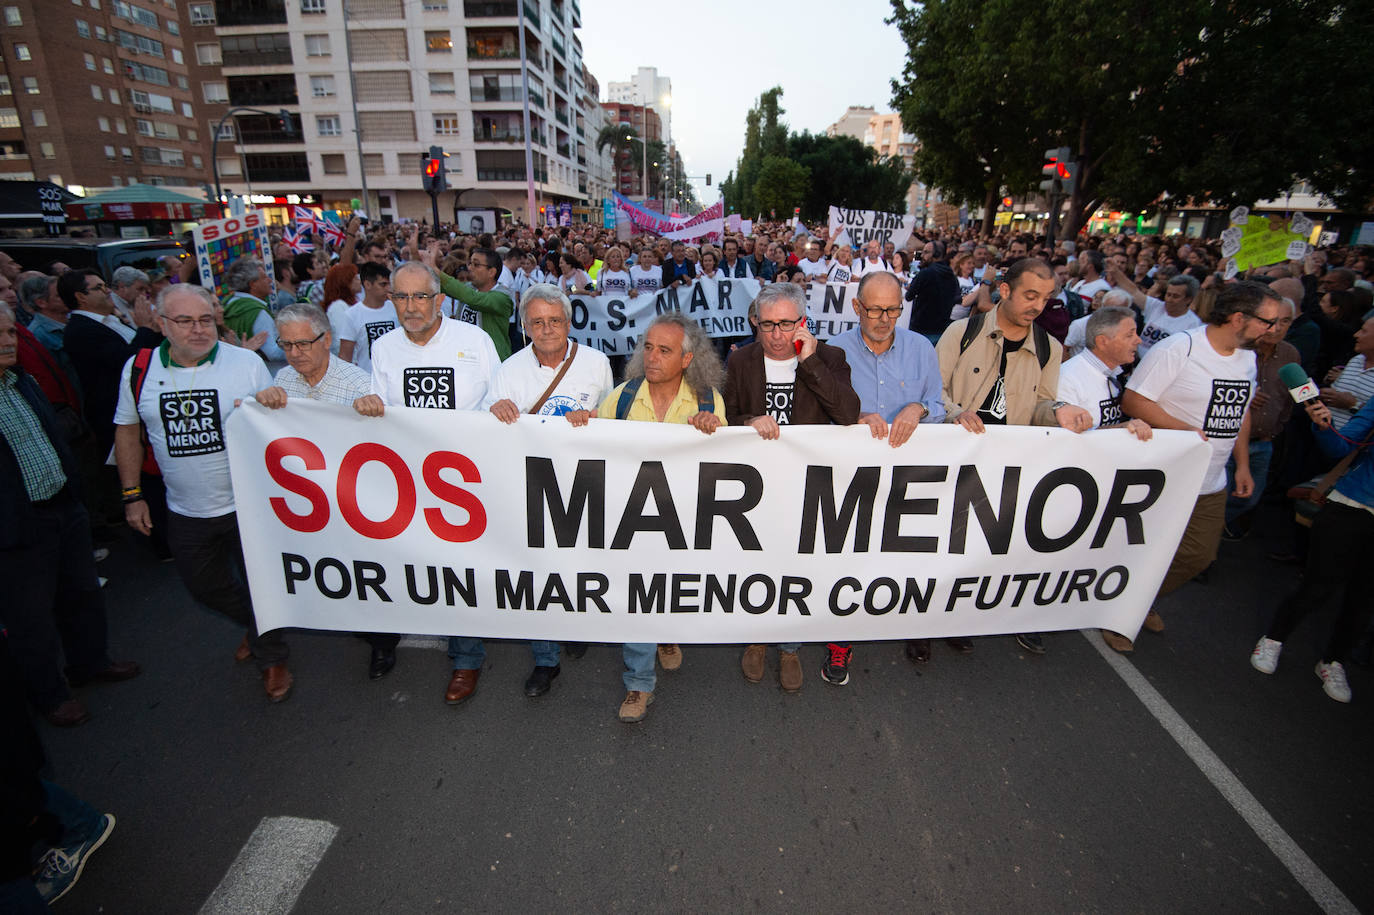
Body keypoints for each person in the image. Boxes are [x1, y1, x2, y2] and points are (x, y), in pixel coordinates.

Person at [112, 285, 288, 698]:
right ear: (161, 324)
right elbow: (127, 430)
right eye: (185, 321)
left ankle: (273, 658)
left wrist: (274, 402)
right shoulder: (138, 370)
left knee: (261, 584)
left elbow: (276, 429)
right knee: (203, 587)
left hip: (248, 505)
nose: (198, 330)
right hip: (185, 510)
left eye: (206, 319)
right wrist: (131, 494)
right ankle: (255, 627)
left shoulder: (246, 364)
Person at [354, 262, 500, 705]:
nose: (411, 306)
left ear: (439, 300)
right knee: (431, 564)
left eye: (421, 297)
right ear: (391, 300)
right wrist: (367, 404)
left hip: (467, 477)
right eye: (402, 297)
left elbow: (499, 398)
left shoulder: (474, 341)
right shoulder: (383, 348)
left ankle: (466, 659)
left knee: (460, 565)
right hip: (412, 478)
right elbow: (381, 406)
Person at [1118, 281, 1285, 653]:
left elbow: (1238, 413)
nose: (1271, 330)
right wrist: (1187, 433)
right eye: (1267, 321)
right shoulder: (1180, 348)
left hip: (1212, 479)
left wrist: (1242, 463)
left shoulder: (1247, 358)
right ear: (1239, 317)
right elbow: (1133, 400)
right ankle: (1122, 612)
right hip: (1166, 474)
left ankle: (1138, 601)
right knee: (1143, 548)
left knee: (1198, 555)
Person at [936, 257, 1092, 655]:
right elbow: (932, 393)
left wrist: (1058, 413)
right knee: (943, 543)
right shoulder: (962, 332)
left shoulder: (1048, 348)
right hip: (957, 458)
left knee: (982, 548)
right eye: (1029, 294)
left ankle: (960, 617)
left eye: (1045, 297)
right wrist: (956, 414)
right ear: (1004, 290)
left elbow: (1041, 404)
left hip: (1008, 466)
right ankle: (925, 623)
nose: (1037, 305)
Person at [0, 303, 140, 727]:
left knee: (81, 591)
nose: (8, 340)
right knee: (30, 615)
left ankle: (90, 662)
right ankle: (49, 694)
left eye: (10, 331)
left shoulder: (20, 382)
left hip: (63, 503)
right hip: (16, 523)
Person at [724, 283, 860, 690]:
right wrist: (748, 422)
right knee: (755, 564)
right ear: (755, 323)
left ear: (803, 322)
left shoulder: (829, 356)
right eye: (768, 325)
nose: (778, 335)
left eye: (787, 323)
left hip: (807, 484)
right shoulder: (741, 359)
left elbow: (848, 413)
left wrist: (811, 361)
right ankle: (757, 639)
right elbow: (725, 416)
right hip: (754, 486)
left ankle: (789, 646)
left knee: (798, 567)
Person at [595, 312, 727, 722]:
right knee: (638, 597)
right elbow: (590, 452)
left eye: (664, 350)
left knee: (669, 588)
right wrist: (581, 426)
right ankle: (638, 682)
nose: (652, 357)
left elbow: (725, 463)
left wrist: (714, 428)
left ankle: (667, 633)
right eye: (647, 347)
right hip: (630, 522)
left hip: (682, 522)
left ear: (687, 359)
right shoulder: (620, 398)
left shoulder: (708, 401)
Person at [487, 284, 614, 697]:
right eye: (537, 322)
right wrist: (495, 412)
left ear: (569, 321)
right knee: (535, 572)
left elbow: (615, 423)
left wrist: (595, 417)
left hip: (586, 485)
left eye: (554, 321)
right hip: (531, 488)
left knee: (580, 565)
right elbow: (484, 431)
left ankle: (577, 624)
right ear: (524, 326)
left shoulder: (596, 364)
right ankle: (545, 659)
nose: (546, 330)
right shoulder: (509, 370)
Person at [830, 272, 954, 666]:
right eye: (875, 310)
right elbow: (821, 415)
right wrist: (853, 418)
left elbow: (938, 405)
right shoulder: (834, 352)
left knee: (913, 558)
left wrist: (918, 408)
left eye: (894, 309)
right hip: (854, 480)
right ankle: (839, 643)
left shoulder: (921, 348)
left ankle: (915, 627)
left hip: (911, 479)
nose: (885, 319)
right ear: (856, 308)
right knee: (848, 561)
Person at [1250, 396, 1374, 703]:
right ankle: (1273, 639)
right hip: (1352, 507)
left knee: (1364, 602)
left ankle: (1333, 661)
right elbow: (1340, 448)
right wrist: (1324, 426)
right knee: (1318, 586)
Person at [59, 270, 163, 461]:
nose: (107, 291)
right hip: (118, 416)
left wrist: (155, 331)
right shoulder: (82, 330)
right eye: (99, 288)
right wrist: (146, 329)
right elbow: (128, 361)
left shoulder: (109, 320)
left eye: (105, 285)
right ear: (81, 297)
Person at [1223, 296, 1298, 537]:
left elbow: (1291, 399)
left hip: (1263, 444)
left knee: (1249, 498)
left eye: (1285, 322)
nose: (1277, 328)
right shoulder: (1237, 349)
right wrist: (1241, 395)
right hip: (1226, 442)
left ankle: (1213, 528)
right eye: (1272, 321)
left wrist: (1276, 428)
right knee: (1213, 499)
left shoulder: (1291, 355)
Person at [220, 257, 285, 363]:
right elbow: (272, 353)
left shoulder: (227, 303)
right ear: (252, 284)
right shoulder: (257, 312)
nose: (270, 280)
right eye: (264, 277)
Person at [337, 262, 396, 374]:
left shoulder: (397, 308)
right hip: (367, 379)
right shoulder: (352, 315)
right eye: (383, 285)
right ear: (368, 285)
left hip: (396, 377)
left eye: (389, 284)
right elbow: (345, 356)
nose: (388, 289)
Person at [906, 240, 960, 345]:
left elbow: (909, 296)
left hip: (920, 330)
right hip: (940, 331)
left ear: (936, 254)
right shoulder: (952, 276)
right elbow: (956, 298)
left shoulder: (925, 273)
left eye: (926, 252)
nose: (922, 255)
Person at [321, 263, 361, 355]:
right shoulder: (338, 307)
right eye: (355, 278)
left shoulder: (351, 304)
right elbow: (341, 341)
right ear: (345, 282)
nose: (359, 281)